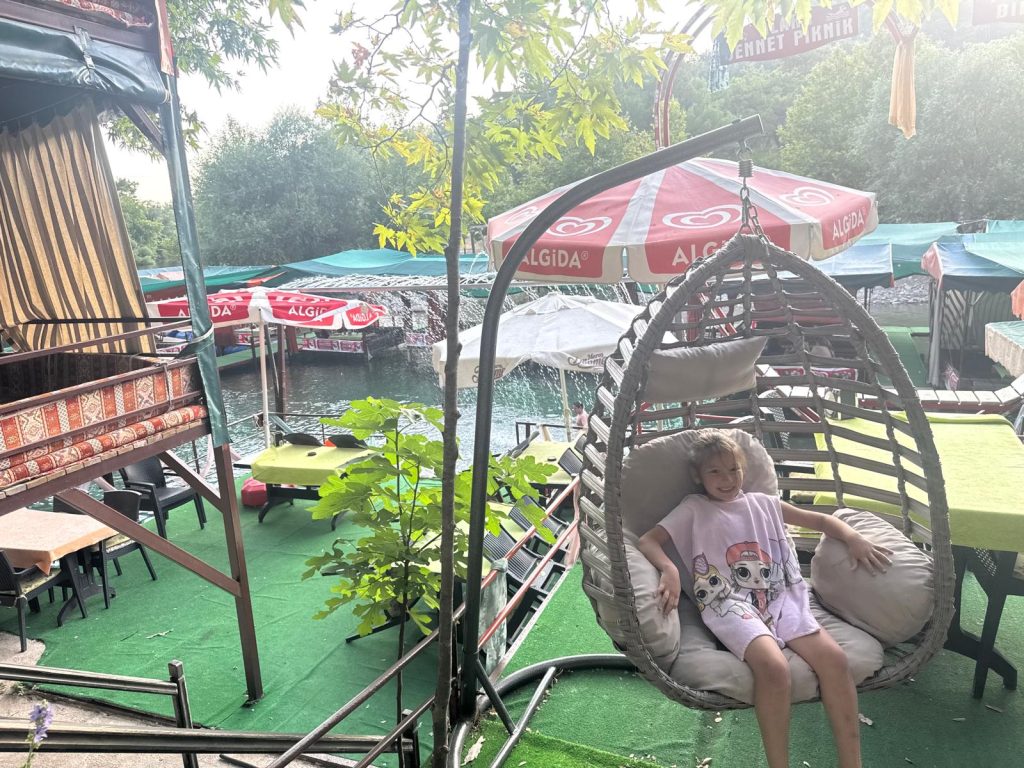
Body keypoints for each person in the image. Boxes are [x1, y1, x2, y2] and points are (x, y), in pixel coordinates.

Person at [637, 430, 891, 768]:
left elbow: (820, 520)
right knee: (774, 667)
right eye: (715, 472)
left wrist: (853, 537)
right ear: (698, 476)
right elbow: (648, 540)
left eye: (734, 469)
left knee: (835, 660)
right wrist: (669, 569)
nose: (727, 479)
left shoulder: (762, 503)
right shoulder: (693, 508)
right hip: (729, 603)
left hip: (779, 594)